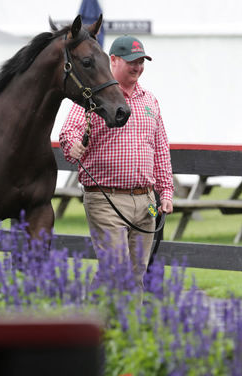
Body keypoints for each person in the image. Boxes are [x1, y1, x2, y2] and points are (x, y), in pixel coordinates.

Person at [59, 35, 174, 292]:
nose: (138, 67)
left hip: (146, 201)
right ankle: (104, 325)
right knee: (117, 269)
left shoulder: (149, 100)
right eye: (132, 61)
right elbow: (69, 132)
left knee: (135, 273)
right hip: (106, 198)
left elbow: (160, 149)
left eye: (142, 61)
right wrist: (74, 145)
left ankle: (118, 328)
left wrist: (166, 191)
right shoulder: (94, 96)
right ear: (113, 60)